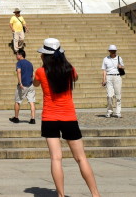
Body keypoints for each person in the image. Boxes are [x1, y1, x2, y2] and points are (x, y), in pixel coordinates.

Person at [33, 37, 101, 197]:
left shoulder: (41, 72)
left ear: (45, 55)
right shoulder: (69, 69)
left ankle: (61, 195)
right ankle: (95, 194)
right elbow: (75, 78)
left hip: (49, 117)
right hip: (69, 117)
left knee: (56, 158)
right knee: (81, 158)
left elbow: (35, 83)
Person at [10, 48, 37, 124]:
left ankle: (16, 118)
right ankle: (33, 119)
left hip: (23, 85)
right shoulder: (30, 63)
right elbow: (32, 74)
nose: (16, 56)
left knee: (17, 101)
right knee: (32, 102)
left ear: (20, 55)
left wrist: (20, 83)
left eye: (17, 54)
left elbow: (19, 72)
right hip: (30, 84)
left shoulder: (19, 63)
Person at [101, 45, 124, 119]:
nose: (113, 52)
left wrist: (121, 67)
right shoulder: (105, 59)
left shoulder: (119, 58)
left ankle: (118, 112)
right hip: (109, 77)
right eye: (112, 51)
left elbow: (123, 67)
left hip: (117, 76)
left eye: (114, 51)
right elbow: (104, 70)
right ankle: (109, 111)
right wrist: (104, 79)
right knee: (109, 95)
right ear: (109, 51)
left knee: (118, 95)